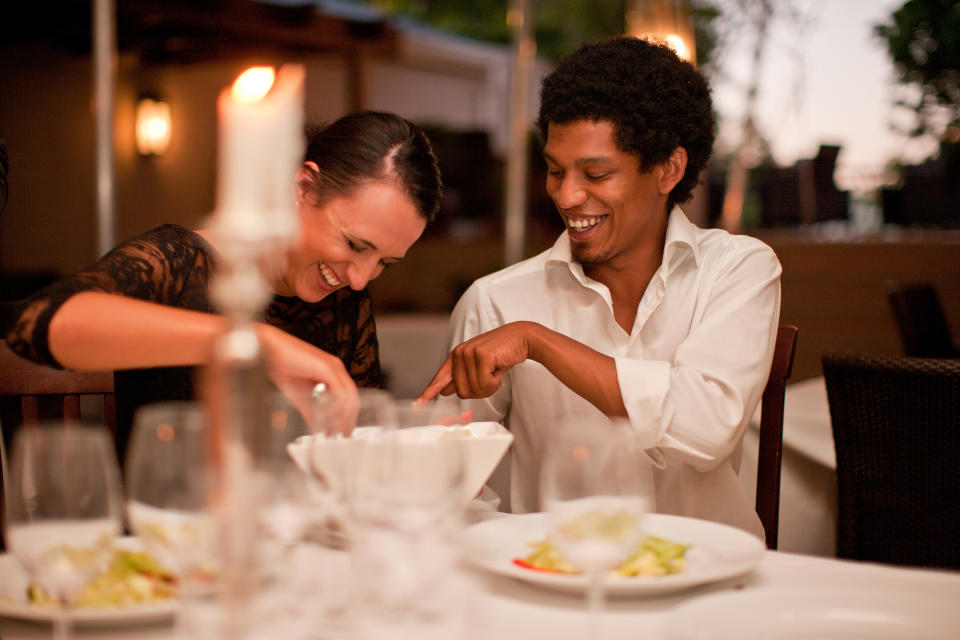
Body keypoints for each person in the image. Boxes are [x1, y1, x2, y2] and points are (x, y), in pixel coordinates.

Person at [418, 37, 781, 537]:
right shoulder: (495, 300)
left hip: (708, 579)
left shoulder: (736, 270)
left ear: (668, 170)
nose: (567, 196)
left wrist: (538, 341)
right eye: (554, 170)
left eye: (596, 173)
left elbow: (706, 427)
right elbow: (445, 477)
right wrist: (505, 544)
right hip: (555, 582)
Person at [5, 111, 442, 463]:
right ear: (303, 188)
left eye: (384, 261)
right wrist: (252, 342)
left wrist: (425, 458)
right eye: (354, 244)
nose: (361, 277)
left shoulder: (344, 296)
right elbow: (37, 324)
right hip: (171, 544)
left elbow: (353, 446)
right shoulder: (180, 261)